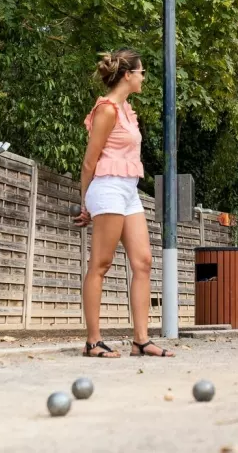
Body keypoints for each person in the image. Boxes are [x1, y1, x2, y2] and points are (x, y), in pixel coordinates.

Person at [73, 50, 174, 359]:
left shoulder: (127, 110)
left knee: (143, 262)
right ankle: (93, 342)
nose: (144, 78)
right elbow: (89, 161)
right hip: (107, 188)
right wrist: (86, 202)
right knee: (100, 264)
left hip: (129, 190)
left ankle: (140, 340)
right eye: (141, 73)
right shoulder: (107, 110)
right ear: (128, 75)